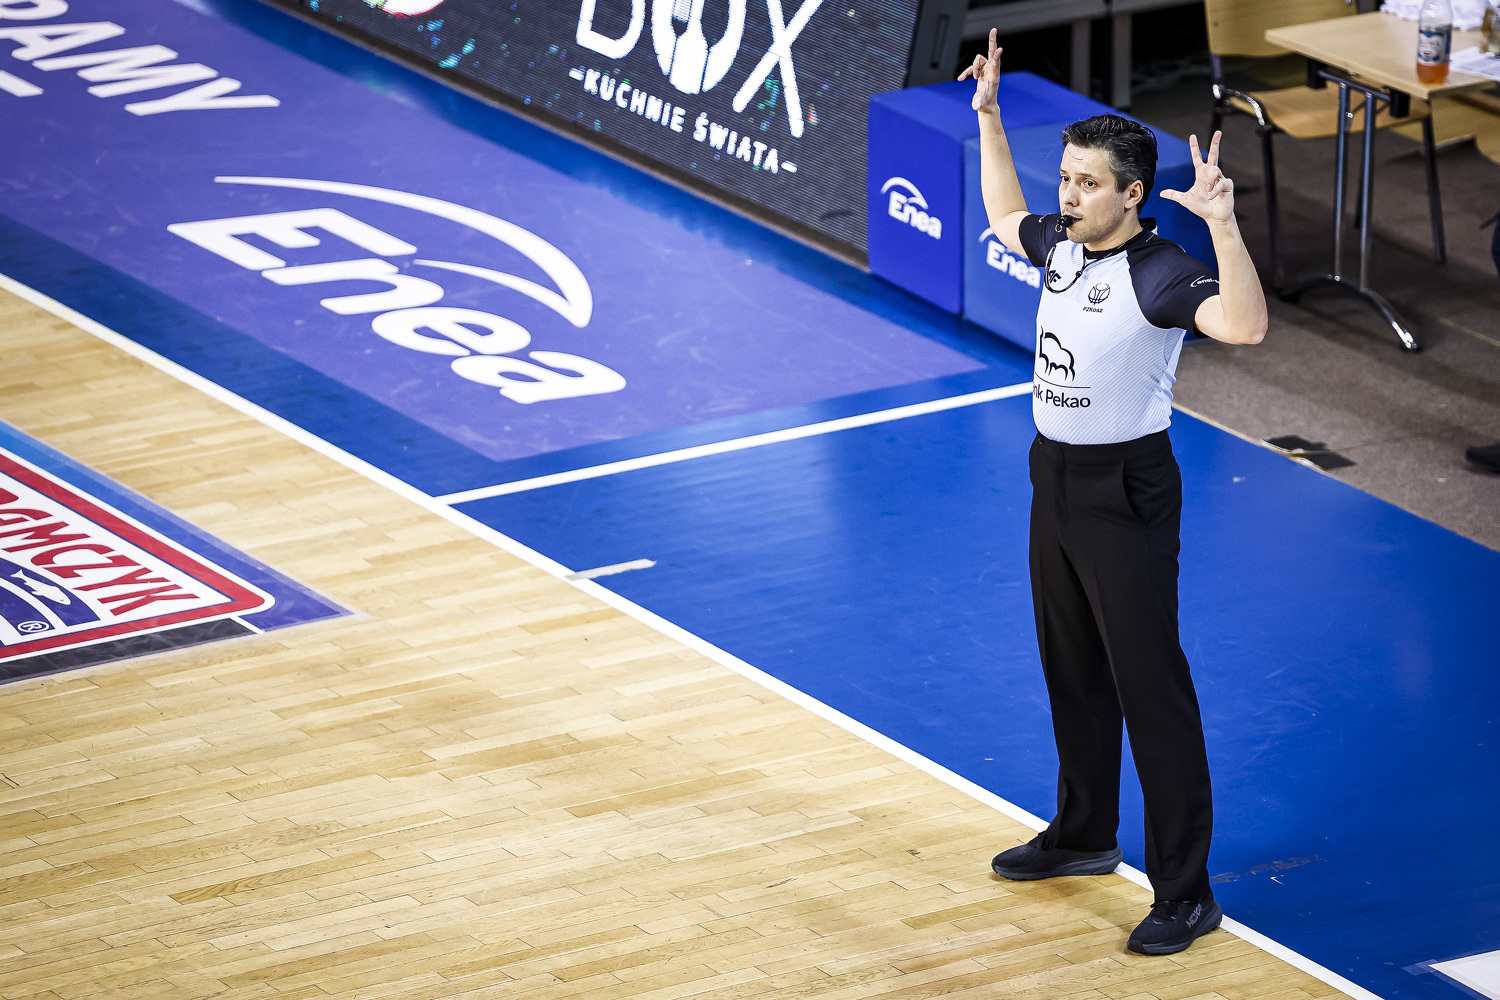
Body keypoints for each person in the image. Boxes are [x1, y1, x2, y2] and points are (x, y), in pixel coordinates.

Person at [959, 30, 1268, 956]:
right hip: (1052, 475)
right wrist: (990, 120)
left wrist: (1224, 223)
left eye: (1088, 184)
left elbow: (1244, 327)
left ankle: (1186, 892)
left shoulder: (1161, 272)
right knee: (1073, 669)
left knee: (1148, 687)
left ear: (1133, 194)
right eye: (1066, 178)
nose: (1068, 195)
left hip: (1126, 488)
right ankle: (1085, 833)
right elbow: (1002, 212)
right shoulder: (1061, 243)